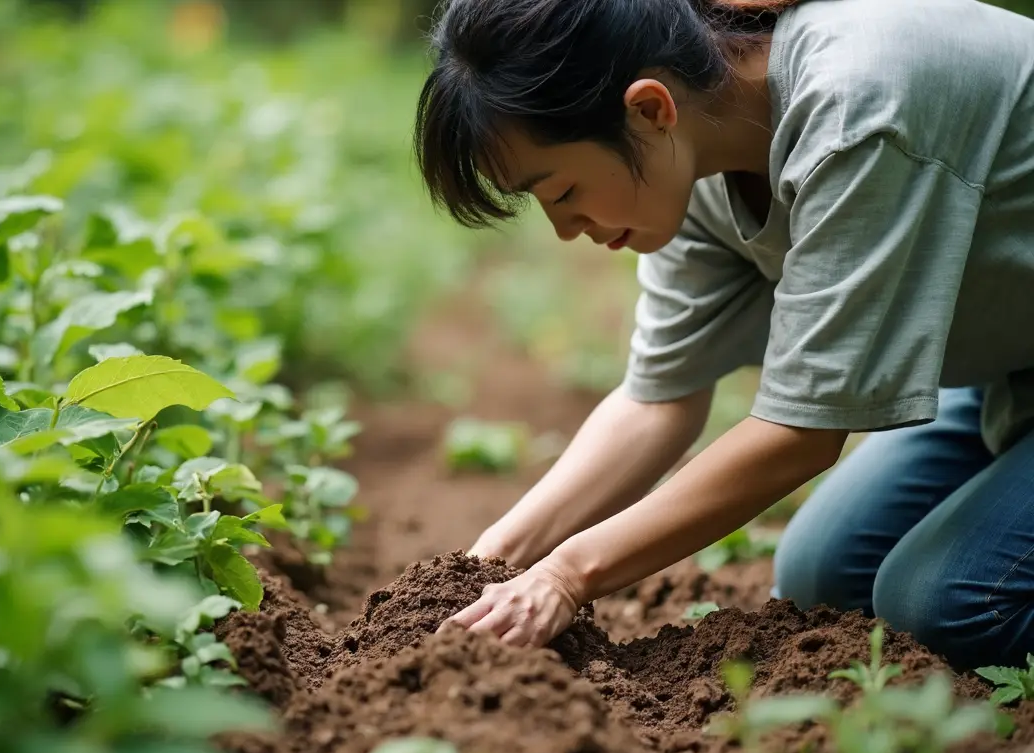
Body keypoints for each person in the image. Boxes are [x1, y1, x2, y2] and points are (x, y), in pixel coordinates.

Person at [411, 0, 1034, 670]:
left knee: (947, 604)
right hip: (1006, 370)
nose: (566, 229)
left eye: (561, 192)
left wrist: (568, 574)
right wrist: (484, 566)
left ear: (650, 110)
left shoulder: (857, 107)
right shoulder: (695, 163)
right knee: (826, 578)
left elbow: (801, 434)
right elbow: (657, 401)